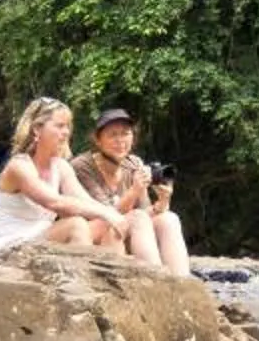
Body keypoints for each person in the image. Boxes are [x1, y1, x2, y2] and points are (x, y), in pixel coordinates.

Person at [0, 97, 129, 254]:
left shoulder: (61, 166)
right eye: (60, 126)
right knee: (76, 225)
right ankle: (85, 270)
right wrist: (106, 212)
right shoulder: (19, 166)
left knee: (110, 224)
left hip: (40, 240)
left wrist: (111, 215)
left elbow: (84, 200)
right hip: (10, 245)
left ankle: (116, 268)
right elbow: (55, 203)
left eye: (68, 126)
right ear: (37, 129)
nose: (66, 132)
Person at [72, 108, 192, 278]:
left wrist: (162, 202)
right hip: (92, 232)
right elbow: (104, 214)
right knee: (137, 217)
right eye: (112, 135)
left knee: (169, 219)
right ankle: (155, 281)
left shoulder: (134, 163)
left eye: (125, 133)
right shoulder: (83, 166)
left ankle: (181, 281)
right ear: (98, 140)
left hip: (126, 228)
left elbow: (145, 211)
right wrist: (134, 191)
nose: (120, 140)